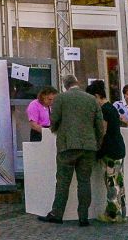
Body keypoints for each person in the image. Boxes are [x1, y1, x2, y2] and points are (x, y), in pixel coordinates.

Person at [44, 76, 104, 225]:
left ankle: (57, 214)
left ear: (65, 85)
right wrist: (96, 143)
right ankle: (83, 217)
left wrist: (56, 130)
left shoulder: (60, 98)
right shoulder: (91, 99)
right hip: (88, 147)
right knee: (84, 182)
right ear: (78, 83)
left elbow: (54, 119)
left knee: (63, 181)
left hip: (67, 146)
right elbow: (99, 126)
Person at [88, 79, 127, 222]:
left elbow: (102, 132)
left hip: (110, 151)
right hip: (118, 148)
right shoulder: (112, 108)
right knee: (119, 181)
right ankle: (121, 213)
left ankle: (112, 215)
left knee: (111, 183)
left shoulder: (104, 110)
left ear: (97, 96)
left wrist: (98, 150)